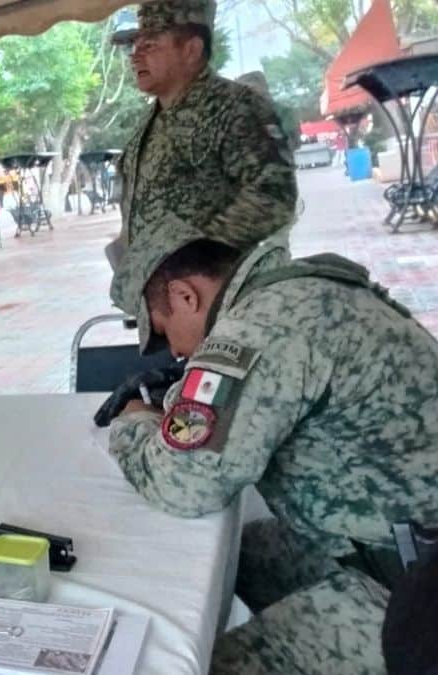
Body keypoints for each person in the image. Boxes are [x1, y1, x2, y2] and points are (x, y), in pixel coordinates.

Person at [99, 224, 438, 674]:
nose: (175, 351)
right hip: (389, 543)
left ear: (185, 295)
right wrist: (180, 394)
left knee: (201, 667)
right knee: (235, 557)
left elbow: (183, 486)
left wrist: (134, 421)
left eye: (164, 333)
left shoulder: (258, 327)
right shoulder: (294, 292)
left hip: (415, 598)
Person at [107, 0, 297, 317]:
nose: (135, 56)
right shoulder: (150, 122)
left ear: (191, 50)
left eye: (150, 45)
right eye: (134, 46)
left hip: (227, 308)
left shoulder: (235, 107)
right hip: (171, 310)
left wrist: (192, 257)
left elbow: (273, 197)